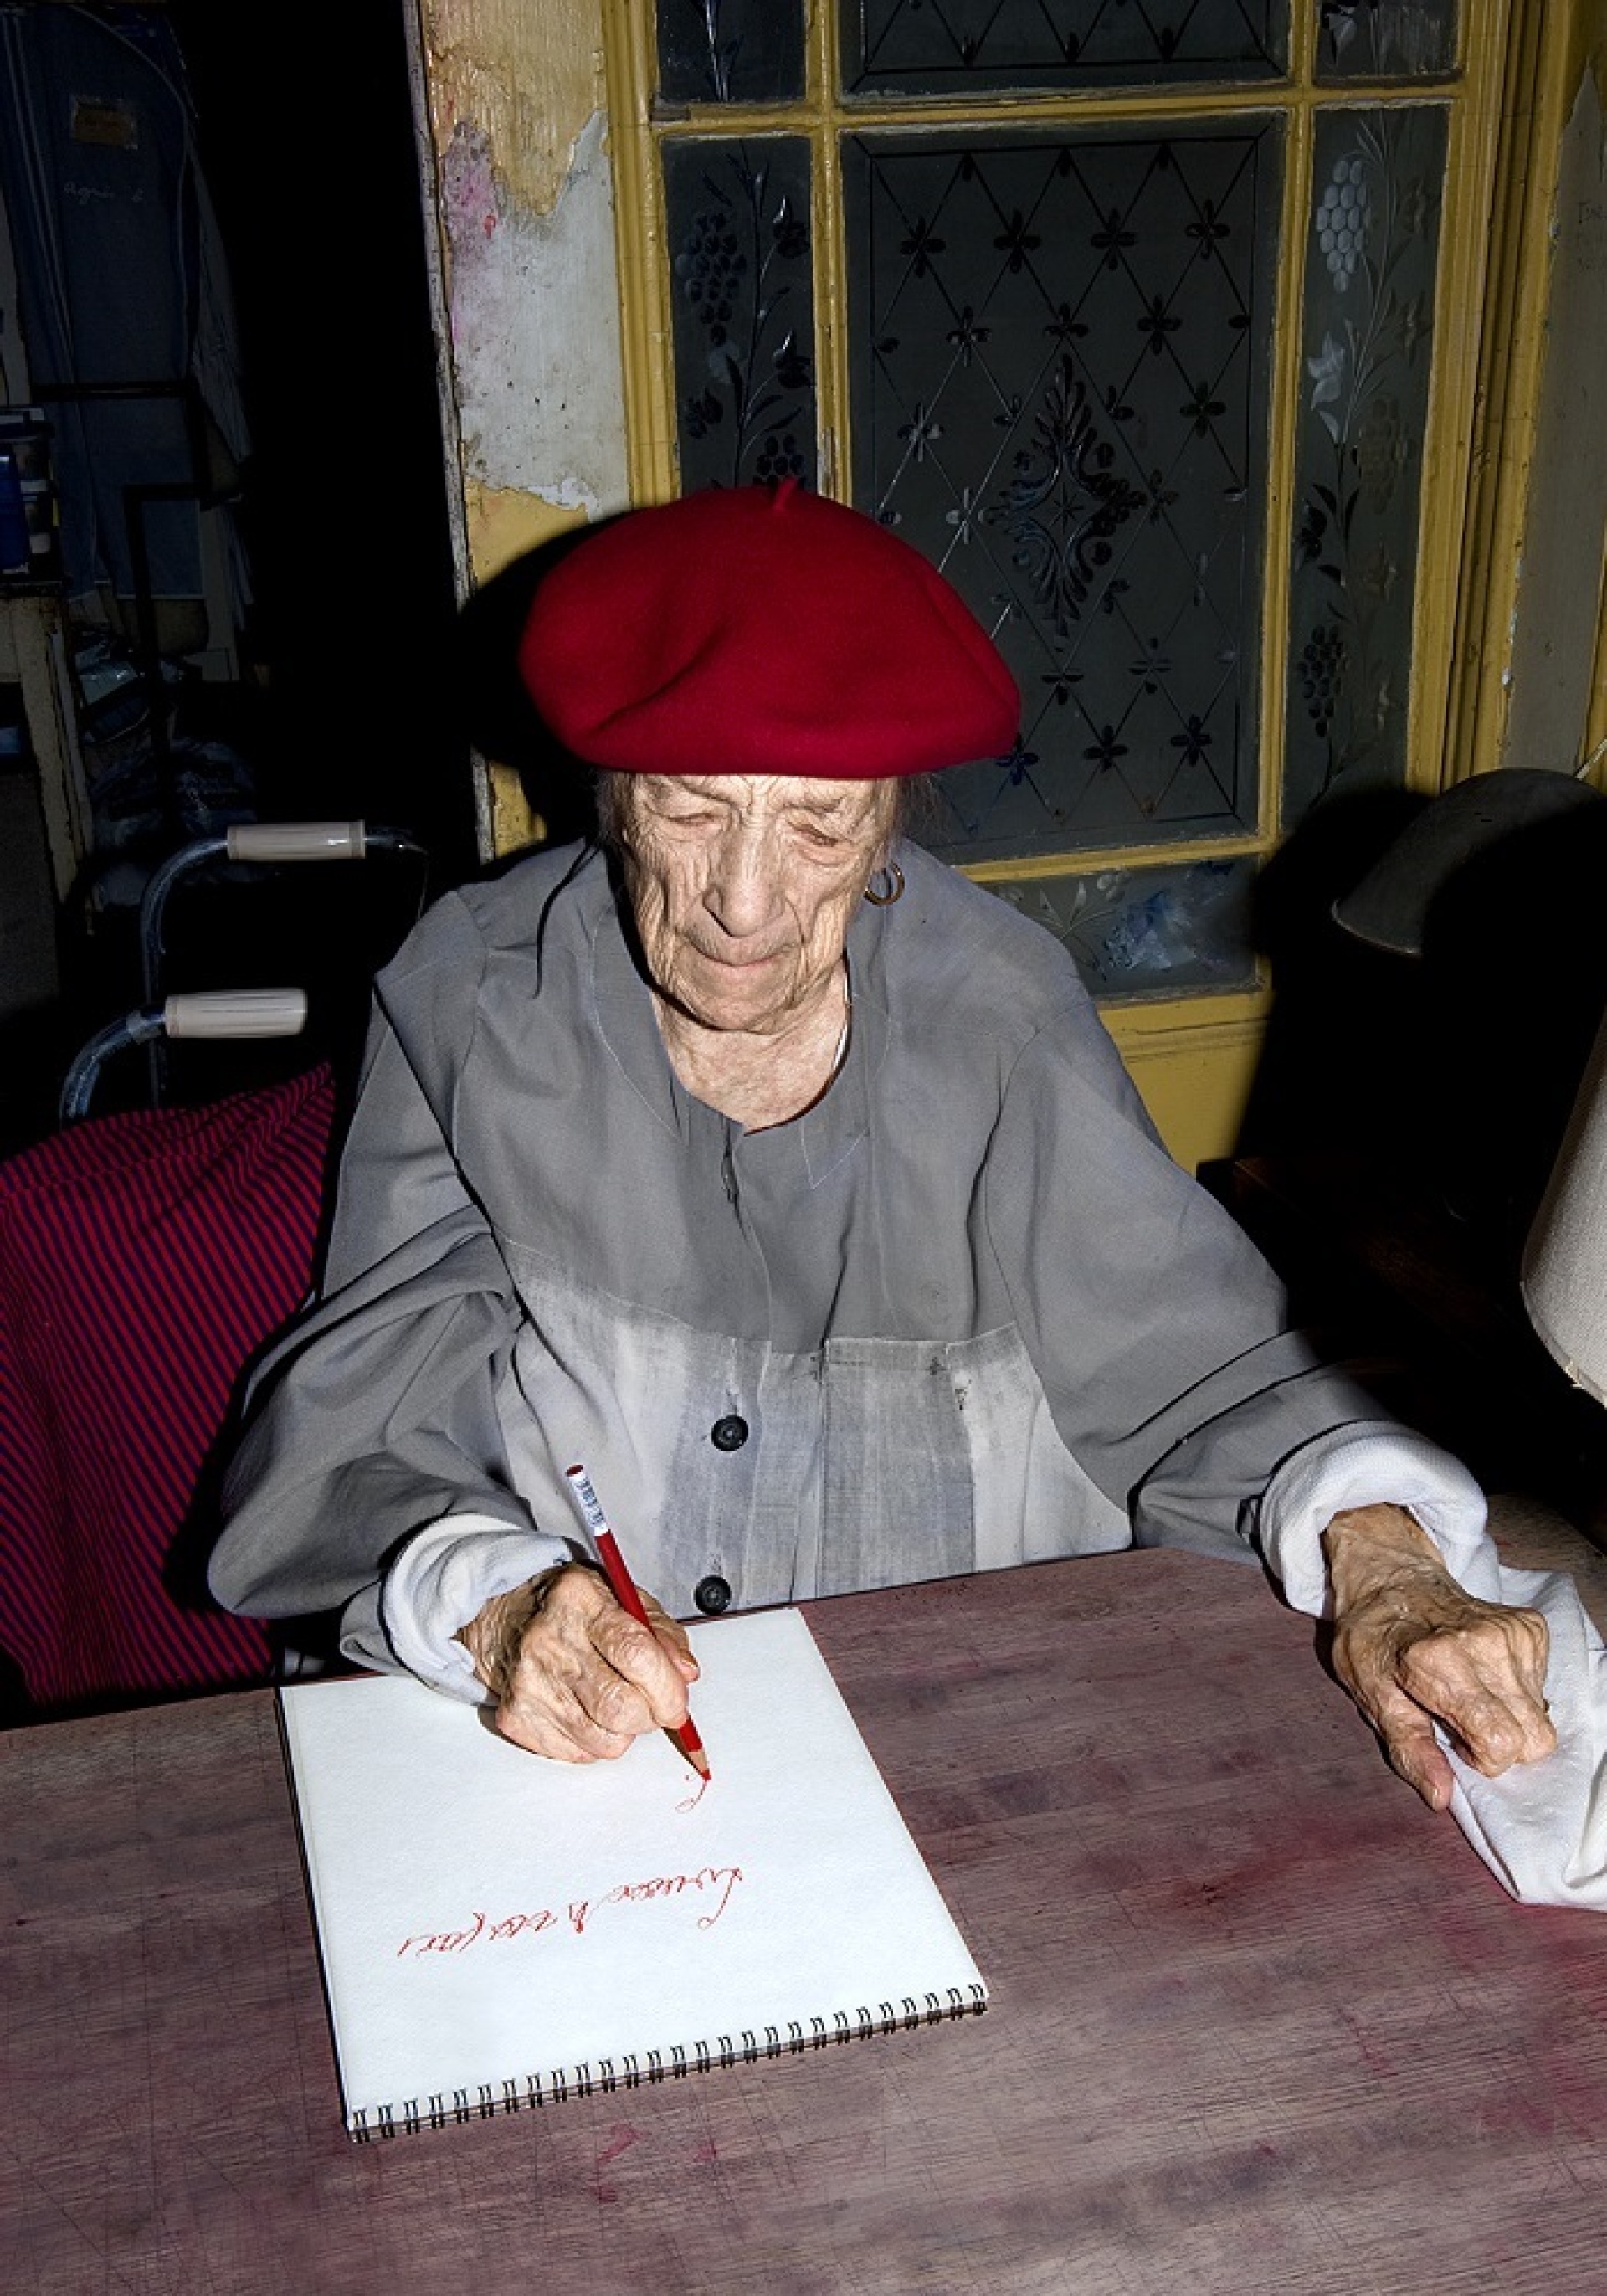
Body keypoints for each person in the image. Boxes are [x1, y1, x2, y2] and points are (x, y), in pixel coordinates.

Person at [210, 480, 1555, 1822]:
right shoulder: (475, 1003)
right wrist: (498, 1603)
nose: (744, 903)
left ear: (894, 818)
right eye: (690, 811)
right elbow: (362, 1433)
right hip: (603, 1801)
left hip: (975, 1770)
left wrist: (1385, 1565)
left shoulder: (999, 1017)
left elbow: (1202, 1380)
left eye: (816, 826)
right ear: (608, 793)